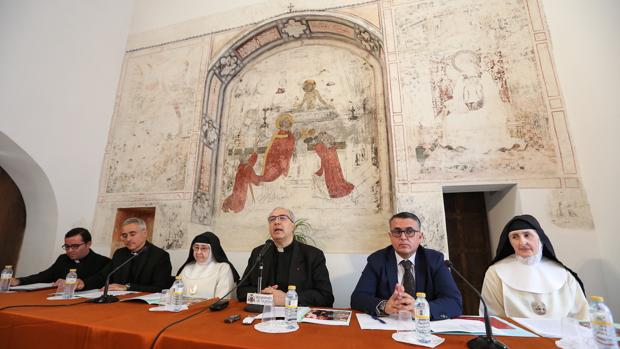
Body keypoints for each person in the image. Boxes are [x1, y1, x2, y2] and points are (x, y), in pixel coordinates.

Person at [351, 212, 462, 320]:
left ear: (420, 237)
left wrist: (421, 309)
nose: (403, 237)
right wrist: (384, 306)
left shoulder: (435, 260)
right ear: (390, 236)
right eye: (397, 232)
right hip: (391, 325)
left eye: (410, 231)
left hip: (424, 327)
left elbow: (454, 302)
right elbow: (358, 298)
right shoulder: (377, 260)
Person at [480, 214, 589, 320]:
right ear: (510, 242)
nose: (522, 242)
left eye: (527, 235)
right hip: (515, 337)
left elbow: (581, 316)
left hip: (563, 337)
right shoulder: (496, 272)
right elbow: (492, 318)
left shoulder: (564, 274)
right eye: (515, 237)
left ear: (539, 237)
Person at [236, 207, 334, 307]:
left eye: (282, 218)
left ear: (293, 226)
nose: (276, 222)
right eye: (272, 219)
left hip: (296, 316)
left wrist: (288, 298)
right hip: (264, 315)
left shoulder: (313, 255)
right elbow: (241, 291)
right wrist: (264, 296)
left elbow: (326, 297)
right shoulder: (259, 253)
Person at [85, 217, 172, 292]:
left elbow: (161, 288)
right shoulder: (119, 253)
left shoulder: (160, 256)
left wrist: (127, 287)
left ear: (144, 233)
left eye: (132, 234)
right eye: (124, 235)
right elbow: (103, 276)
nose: (128, 239)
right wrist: (83, 283)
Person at [10, 228, 110, 290]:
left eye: (75, 246)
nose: (70, 250)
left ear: (88, 244)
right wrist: (19, 281)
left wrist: (75, 283)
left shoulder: (103, 262)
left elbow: (99, 281)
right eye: (67, 246)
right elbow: (44, 276)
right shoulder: (63, 259)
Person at [176, 232, 239, 299]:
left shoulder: (223, 268)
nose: (198, 252)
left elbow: (221, 300)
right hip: (185, 309)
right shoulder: (187, 267)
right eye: (196, 248)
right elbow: (173, 294)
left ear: (213, 250)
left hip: (210, 309)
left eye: (203, 248)